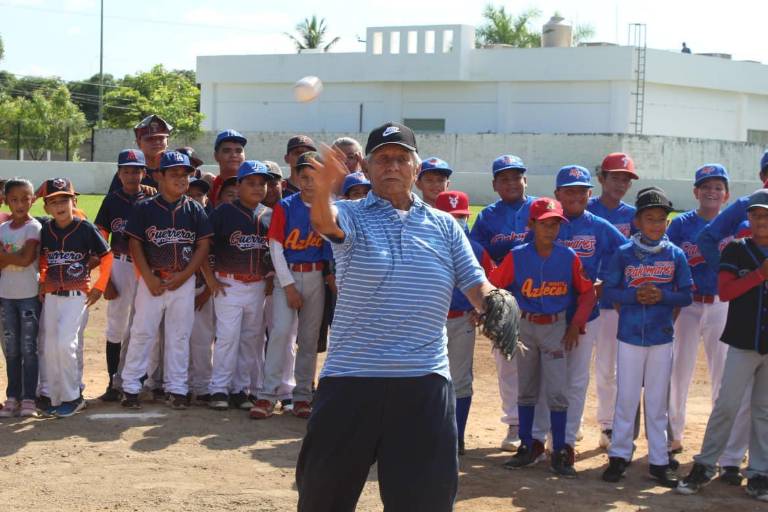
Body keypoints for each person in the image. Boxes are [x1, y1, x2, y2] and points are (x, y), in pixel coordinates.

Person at [296, 121, 498, 511]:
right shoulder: (350, 213)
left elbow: (476, 284)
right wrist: (324, 187)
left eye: (401, 159)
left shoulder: (445, 226)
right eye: (383, 159)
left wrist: (495, 302)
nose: (392, 166)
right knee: (324, 498)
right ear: (367, 170)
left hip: (423, 382)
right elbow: (323, 222)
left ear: (416, 169)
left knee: (424, 501)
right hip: (352, 380)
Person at [491, 197, 595, 477]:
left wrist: (576, 324)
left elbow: (587, 291)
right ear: (531, 224)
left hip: (555, 328)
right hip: (525, 327)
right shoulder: (517, 255)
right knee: (526, 389)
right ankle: (527, 445)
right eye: (544, 224)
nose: (550, 229)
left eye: (555, 224)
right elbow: (494, 286)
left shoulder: (569, 257)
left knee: (557, 391)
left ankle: (559, 449)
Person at [676, 189, 768, 502]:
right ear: (748, 219)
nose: (761, 221)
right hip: (742, 341)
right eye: (756, 215)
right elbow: (726, 292)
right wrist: (759, 275)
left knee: (763, 411)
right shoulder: (737, 250)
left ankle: (759, 473)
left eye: (766, 215)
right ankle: (704, 465)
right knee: (727, 405)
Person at [531, 165, 626, 459]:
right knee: (546, 375)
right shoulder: (548, 223)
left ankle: (567, 440)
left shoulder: (598, 226)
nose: (575, 196)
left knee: (576, 378)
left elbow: (627, 255)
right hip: (550, 311)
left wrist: (606, 281)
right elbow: (524, 254)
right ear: (557, 193)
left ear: (589, 193)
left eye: (581, 191)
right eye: (568, 191)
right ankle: (539, 437)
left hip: (587, 314)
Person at [601, 187, 692, 487]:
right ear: (637, 221)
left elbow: (686, 296)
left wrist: (662, 296)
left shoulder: (675, 254)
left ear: (667, 222)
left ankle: (659, 460)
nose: (655, 224)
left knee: (656, 402)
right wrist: (633, 295)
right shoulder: (624, 253)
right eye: (649, 218)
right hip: (628, 336)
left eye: (661, 219)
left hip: (661, 337)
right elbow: (609, 291)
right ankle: (619, 456)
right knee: (626, 398)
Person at [667, 164, 749, 483]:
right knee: (678, 371)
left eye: (717, 187)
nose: (711, 191)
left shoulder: (739, 223)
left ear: (726, 194)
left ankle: (725, 442)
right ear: (695, 192)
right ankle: (674, 435)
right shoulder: (681, 224)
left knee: (724, 374)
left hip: (722, 304)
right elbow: (670, 259)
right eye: (705, 186)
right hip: (688, 305)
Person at [120, 151, 212, 410]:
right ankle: (130, 387)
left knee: (179, 336)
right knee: (142, 333)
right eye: (174, 174)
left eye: (185, 174)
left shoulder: (194, 208)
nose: (181, 179)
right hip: (152, 281)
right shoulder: (145, 207)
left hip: (182, 282)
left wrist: (185, 275)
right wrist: (148, 277)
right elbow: (135, 243)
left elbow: (203, 245)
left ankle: (177, 388)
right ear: (159, 176)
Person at [253, 151, 330, 420]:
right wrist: (287, 285)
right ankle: (267, 394)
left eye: (314, 177)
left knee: (309, 340)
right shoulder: (286, 206)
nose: (309, 182)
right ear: (295, 177)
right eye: (303, 176)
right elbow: (276, 247)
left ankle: (302, 397)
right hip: (287, 276)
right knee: (281, 333)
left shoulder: (328, 208)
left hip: (316, 277)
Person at [470, 154, 535, 452]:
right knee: (508, 363)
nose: (511, 183)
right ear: (495, 184)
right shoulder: (486, 217)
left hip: (541, 297)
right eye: (504, 178)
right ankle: (514, 424)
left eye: (515, 177)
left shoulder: (539, 209)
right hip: (505, 300)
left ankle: (541, 425)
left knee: (542, 365)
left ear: (525, 180)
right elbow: (476, 259)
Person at [38, 178, 113, 417]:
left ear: (74, 201)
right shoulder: (46, 230)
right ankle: (56, 396)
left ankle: (73, 397)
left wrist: (100, 285)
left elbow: (107, 256)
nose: (60, 205)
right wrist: (42, 280)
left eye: (65, 199)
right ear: (46, 207)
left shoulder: (85, 228)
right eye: (53, 201)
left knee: (65, 344)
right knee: (49, 347)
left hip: (76, 296)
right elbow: (43, 259)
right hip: (51, 296)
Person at [204, 161, 274, 411]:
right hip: (228, 283)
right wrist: (210, 278)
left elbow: (275, 252)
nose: (257, 188)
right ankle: (219, 388)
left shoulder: (269, 214)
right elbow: (205, 246)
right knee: (227, 337)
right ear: (239, 184)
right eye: (251, 183)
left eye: (262, 183)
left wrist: (270, 277)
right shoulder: (223, 212)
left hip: (257, 286)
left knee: (251, 339)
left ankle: (240, 389)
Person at [435, 190, 495, 455]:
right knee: (422, 379)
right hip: (429, 321)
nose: (455, 221)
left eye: (460, 216)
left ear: (468, 218)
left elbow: (492, 283)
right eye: (449, 216)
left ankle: (456, 437)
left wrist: (481, 310)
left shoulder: (476, 249)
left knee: (460, 381)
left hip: (461, 320)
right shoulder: (421, 243)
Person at [587, 152, 639, 448]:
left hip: (612, 303)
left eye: (626, 178)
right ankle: (568, 426)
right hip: (580, 301)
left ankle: (608, 425)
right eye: (615, 176)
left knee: (609, 368)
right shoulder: (584, 206)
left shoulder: (633, 216)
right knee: (572, 368)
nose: (620, 183)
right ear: (602, 178)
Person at [93, 149, 149, 401]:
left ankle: (139, 379)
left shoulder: (152, 200)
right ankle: (112, 382)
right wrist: (104, 281)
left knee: (143, 325)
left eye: (136, 169)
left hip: (146, 266)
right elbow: (98, 243)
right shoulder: (111, 201)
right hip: (119, 265)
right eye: (126, 170)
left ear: (144, 173)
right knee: (116, 325)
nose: (131, 175)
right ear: (119, 173)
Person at [0, 179, 42, 418]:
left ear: (32, 199)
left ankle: (29, 398)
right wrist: (15, 255)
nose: (20, 204)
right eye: (14, 199)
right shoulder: (3, 230)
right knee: (12, 350)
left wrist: (7, 256)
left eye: (25, 198)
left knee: (29, 349)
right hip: (6, 296)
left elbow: (27, 259)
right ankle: (12, 396)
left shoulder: (33, 227)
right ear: (7, 201)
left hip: (28, 295)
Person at [697, 150, 768, 269]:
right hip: (748, 283)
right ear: (762, 176)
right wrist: (727, 269)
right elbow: (705, 238)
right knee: (745, 228)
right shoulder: (745, 205)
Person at [186, 177, 216, 406]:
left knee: (202, 339)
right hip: (181, 287)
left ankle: (203, 385)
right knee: (177, 338)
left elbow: (217, 259)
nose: (196, 199)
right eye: (191, 194)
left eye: (200, 195)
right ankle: (179, 384)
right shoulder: (178, 219)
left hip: (205, 288)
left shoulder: (213, 221)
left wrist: (208, 289)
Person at [108, 114, 171, 192]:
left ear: (167, 141)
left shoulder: (176, 168)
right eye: (150, 139)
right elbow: (113, 201)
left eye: (161, 138)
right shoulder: (128, 171)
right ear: (138, 143)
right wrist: (135, 188)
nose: (157, 142)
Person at [209, 129, 247, 207]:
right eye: (227, 151)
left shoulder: (255, 186)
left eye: (238, 151)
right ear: (216, 156)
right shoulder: (207, 187)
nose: (234, 155)